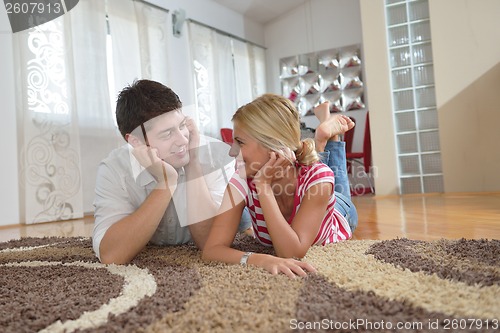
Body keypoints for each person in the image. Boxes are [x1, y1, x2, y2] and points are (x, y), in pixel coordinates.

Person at [93, 79, 251, 264]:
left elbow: (210, 243)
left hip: (232, 209)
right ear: (136, 142)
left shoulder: (216, 156)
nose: (183, 140)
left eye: (182, 126)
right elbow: (111, 255)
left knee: (243, 220)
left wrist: (193, 163)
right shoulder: (115, 168)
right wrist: (166, 183)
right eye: (167, 134)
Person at [202, 94, 358, 277]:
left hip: (340, 211)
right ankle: (321, 138)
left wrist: (263, 186)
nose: (231, 151)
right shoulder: (241, 179)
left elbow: (291, 253)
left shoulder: (319, 180)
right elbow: (211, 251)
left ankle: (329, 139)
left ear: (274, 145)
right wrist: (260, 259)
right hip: (301, 184)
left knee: (332, 178)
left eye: (240, 142)